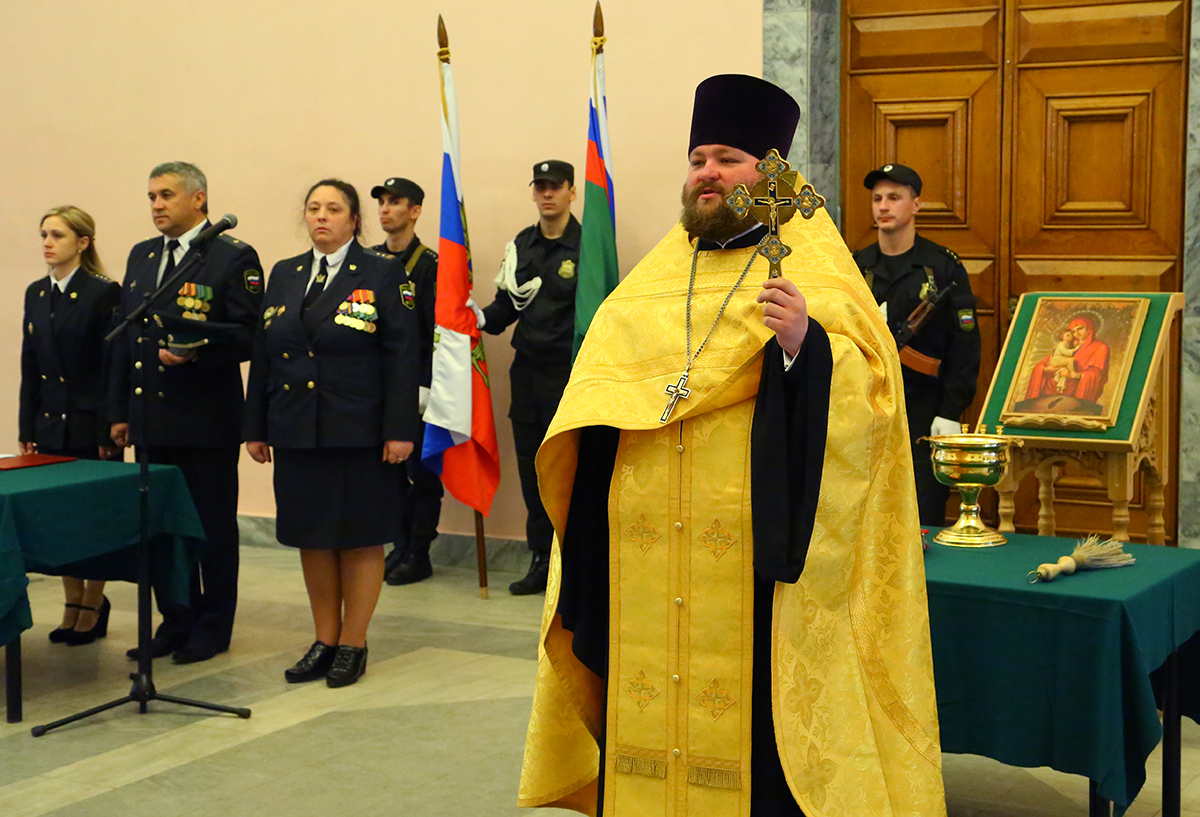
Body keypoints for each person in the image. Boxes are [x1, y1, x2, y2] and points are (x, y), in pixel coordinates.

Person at [519, 75, 945, 817]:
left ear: (772, 173)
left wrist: (803, 350)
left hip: (756, 568)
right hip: (642, 560)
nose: (708, 173)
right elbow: (594, 410)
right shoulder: (649, 284)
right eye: (697, 159)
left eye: (729, 158)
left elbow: (872, 397)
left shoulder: (815, 272)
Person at [244, 179, 419, 688]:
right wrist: (255, 425)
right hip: (296, 426)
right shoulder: (283, 274)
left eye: (334, 209)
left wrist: (400, 430)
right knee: (312, 538)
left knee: (360, 538)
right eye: (314, 208)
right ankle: (324, 638)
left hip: (360, 430)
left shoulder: (384, 273)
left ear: (354, 220)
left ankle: (354, 642)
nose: (322, 216)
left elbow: (403, 357)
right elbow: (264, 355)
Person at [108, 161, 264, 664]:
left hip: (205, 420)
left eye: (167, 195)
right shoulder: (142, 255)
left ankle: (213, 626)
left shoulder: (230, 257)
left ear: (198, 199)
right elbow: (126, 342)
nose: (156, 205)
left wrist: (198, 352)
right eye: (152, 196)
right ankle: (175, 619)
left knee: (211, 528)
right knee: (162, 527)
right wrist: (120, 411)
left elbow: (247, 336)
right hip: (152, 421)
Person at [852, 163, 981, 526]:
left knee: (922, 516)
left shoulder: (942, 269)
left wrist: (951, 411)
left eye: (894, 197)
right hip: (867, 410)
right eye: (877, 198)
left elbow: (965, 346)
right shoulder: (857, 266)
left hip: (925, 413)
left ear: (916, 205)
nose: (883, 206)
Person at [474, 160, 580, 595]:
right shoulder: (522, 244)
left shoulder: (589, 245)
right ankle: (541, 557)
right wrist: (474, 317)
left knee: (572, 470)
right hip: (529, 375)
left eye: (556, 186)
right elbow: (506, 308)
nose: (547, 194)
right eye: (540, 187)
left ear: (572, 191)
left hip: (570, 375)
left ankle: (574, 563)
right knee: (532, 467)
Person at [19, 206, 121, 646]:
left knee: (93, 518)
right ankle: (71, 600)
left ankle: (93, 603)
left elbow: (111, 369)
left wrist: (107, 431)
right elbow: (31, 365)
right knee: (62, 518)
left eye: (57, 235)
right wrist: (27, 425)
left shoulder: (103, 292)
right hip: (50, 425)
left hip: (88, 424)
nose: (47, 242)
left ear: (82, 243)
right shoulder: (37, 293)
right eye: (44, 234)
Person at [369, 177, 443, 586]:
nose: (385, 209)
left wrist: (428, 385)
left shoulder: (431, 265)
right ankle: (397, 543)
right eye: (381, 202)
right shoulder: (369, 261)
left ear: (414, 211)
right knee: (387, 471)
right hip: (377, 386)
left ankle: (419, 548)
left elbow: (437, 331)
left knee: (421, 470)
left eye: (395, 202)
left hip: (417, 387)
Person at [1025, 314, 1109, 404]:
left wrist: (1073, 375)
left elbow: (1096, 375)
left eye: (1080, 328)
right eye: (1073, 331)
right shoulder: (1068, 346)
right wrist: (1045, 369)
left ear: (1089, 329)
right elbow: (1044, 363)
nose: (1076, 333)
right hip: (1051, 390)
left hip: (1075, 392)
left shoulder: (1100, 347)